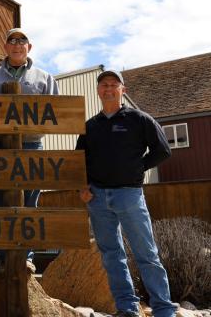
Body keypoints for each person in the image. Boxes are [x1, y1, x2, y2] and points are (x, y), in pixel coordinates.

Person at [76, 70, 175, 317]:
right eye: (103, 85)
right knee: (112, 255)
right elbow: (79, 161)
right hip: (98, 199)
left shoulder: (139, 119)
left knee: (146, 254)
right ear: (98, 91)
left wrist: (137, 167)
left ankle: (163, 309)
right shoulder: (90, 126)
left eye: (113, 84)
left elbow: (162, 150)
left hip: (129, 196)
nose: (108, 89)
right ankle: (127, 307)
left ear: (123, 90)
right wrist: (83, 186)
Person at [0, 28, 59, 273]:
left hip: (32, 145)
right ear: (5, 47)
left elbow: (55, 114)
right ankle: (4, 258)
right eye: (12, 41)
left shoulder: (45, 78)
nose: (17, 45)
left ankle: (26, 256)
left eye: (22, 41)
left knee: (29, 203)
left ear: (30, 47)